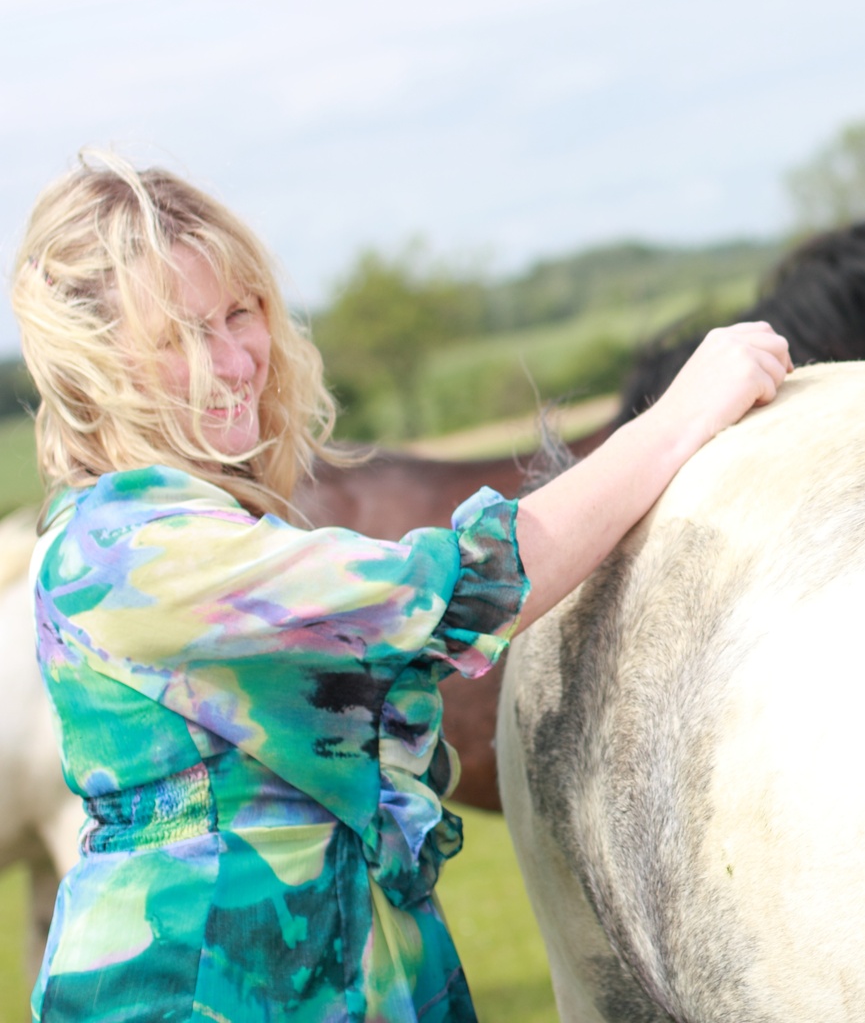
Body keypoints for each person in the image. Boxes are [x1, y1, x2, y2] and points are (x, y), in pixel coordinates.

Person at [11, 152, 791, 1022]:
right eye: (179, 337)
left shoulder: (177, 525)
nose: (233, 360)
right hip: (211, 989)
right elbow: (458, 590)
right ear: (92, 365)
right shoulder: (133, 550)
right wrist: (682, 416)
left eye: (240, 313)